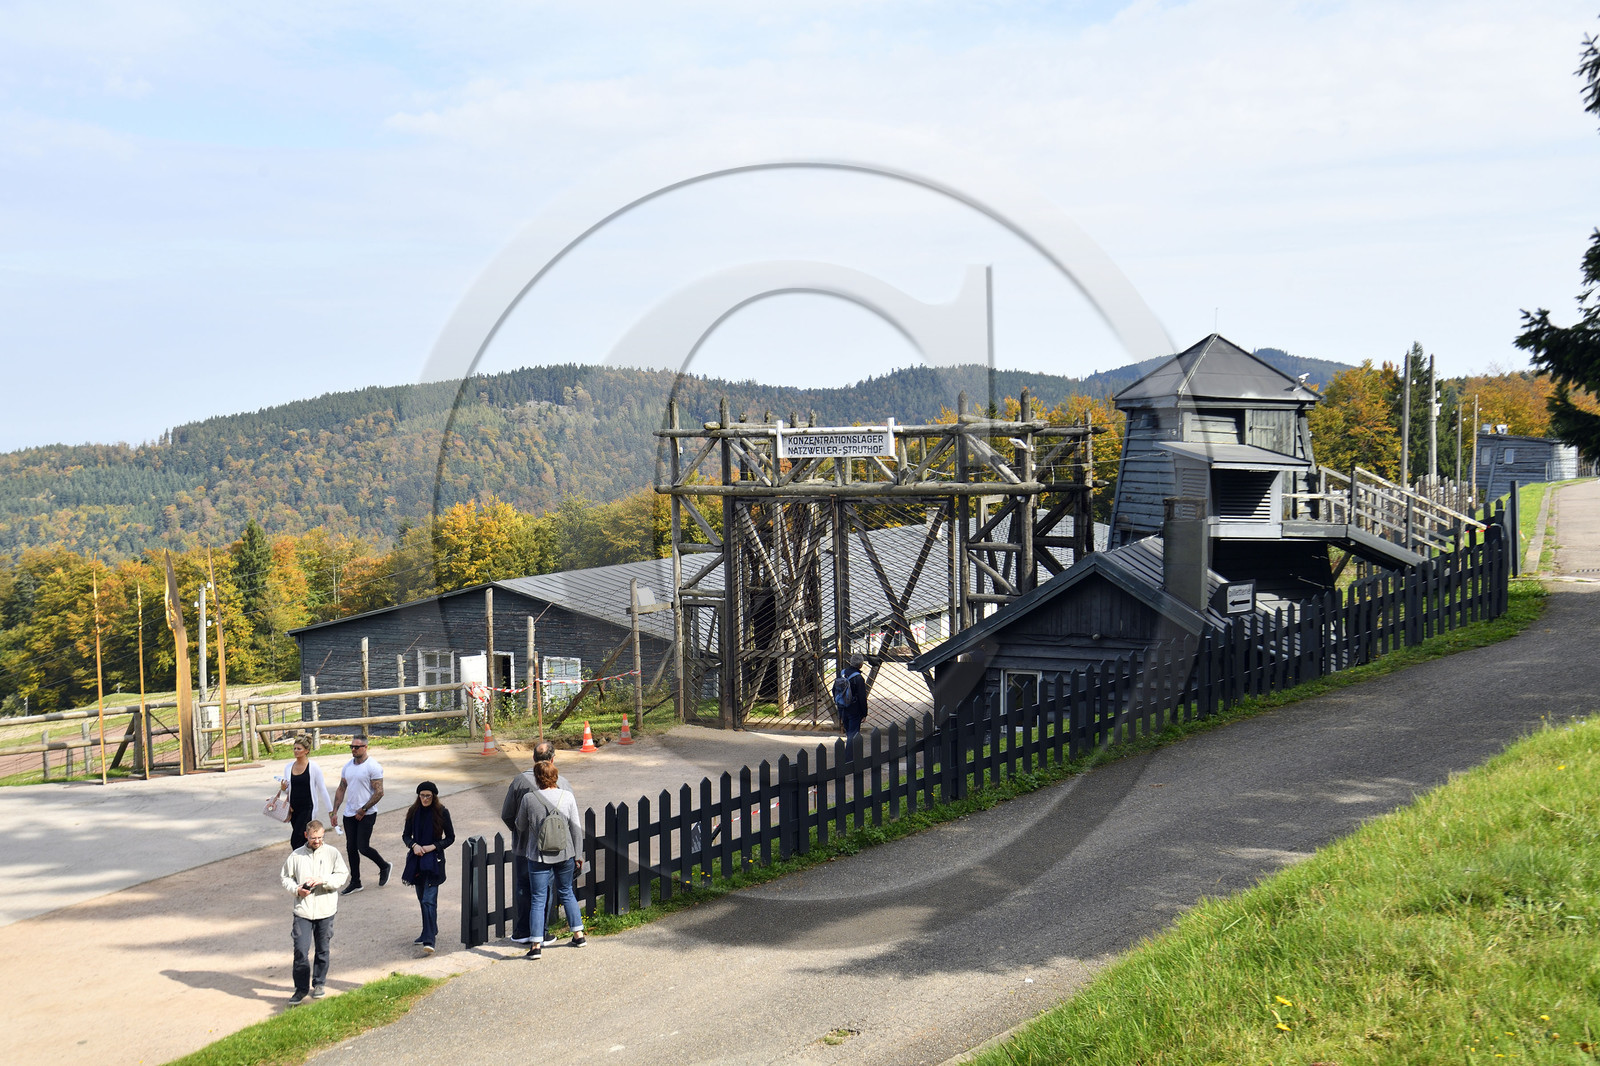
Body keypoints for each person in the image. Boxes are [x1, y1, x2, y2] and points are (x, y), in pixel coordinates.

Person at [500, 740, 571, 945]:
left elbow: (507, 814)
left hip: (524, 846)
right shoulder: (562, 783)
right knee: (545, 888)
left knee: (524, 885)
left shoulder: (519, 781)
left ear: (533, 759)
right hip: (552, 847)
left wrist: (519, 831)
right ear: (553, 759)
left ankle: (522, 931)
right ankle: (542, 931)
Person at [515, 760, 586, 960]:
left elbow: (520, 826)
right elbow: (576, 829)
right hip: (565, 853)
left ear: (537, 779)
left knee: (538, 898)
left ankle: (536, 944)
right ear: (556, 776)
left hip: (538, 856)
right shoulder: (568, 797)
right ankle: (578, 935)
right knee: (567, 892)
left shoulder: (529, 799)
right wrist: (578, 855)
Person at [278, 819, 350, 1005]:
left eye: (320, 837)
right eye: (313, 838)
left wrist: (323, 881)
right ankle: (300, 989)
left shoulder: (332, 853)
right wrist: (297, 890)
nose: (317, 841)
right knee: (301, 950)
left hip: (326, 910)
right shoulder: (296, 856)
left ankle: (319, 983)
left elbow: (342, 875)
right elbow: (285, 877)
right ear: (306, 835)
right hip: (303, 910)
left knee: (322, 949)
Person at [400, 781, 456, 954]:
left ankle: (429, 939)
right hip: (416, 861)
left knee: (428, 900)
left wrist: (434, 846)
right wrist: (414, 845)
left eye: (428, 796)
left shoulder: (442, 812)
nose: (425, 799)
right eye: (422, 795)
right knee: (422, 898)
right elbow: (405, 836)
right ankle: (429, 929)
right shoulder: (413, 811)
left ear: (434, 797)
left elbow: (451, 837)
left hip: (434, 861)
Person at [329, 734, 390, 893]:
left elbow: (379, 792)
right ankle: (356, 881)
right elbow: (342, 788)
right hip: (349, 814)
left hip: (367, 814)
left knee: (362, 847)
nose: (353, 749)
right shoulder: (347, 766)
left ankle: (384, 866)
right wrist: (334, 811)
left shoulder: (373, 766)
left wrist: (363, 809)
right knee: (351, 848)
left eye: (357, 747)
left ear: (365, 747)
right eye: (352, 747)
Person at [276, 734, 333, 850]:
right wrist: (283, 788)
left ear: (306, 751)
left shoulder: (313, 767)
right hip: (293, 809)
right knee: (303, 840)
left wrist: (331, 811)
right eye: (294, 748)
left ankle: (300, 863)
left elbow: (322, 789)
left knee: (296, 839)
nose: (296, 751)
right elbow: (288, 791)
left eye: (299, 749)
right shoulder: (288, 767)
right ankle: (310, 861)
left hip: (308, 808)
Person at [839, 654, 870, 744]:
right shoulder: (858, 678)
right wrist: (864, 713)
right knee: (853, 735)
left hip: (843, 708)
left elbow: (835, 690)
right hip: (854, 710)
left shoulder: (842, 673)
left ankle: (848, 754)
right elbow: (862, 698)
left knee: (849, 733)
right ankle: (850, 757)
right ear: (861, 665)